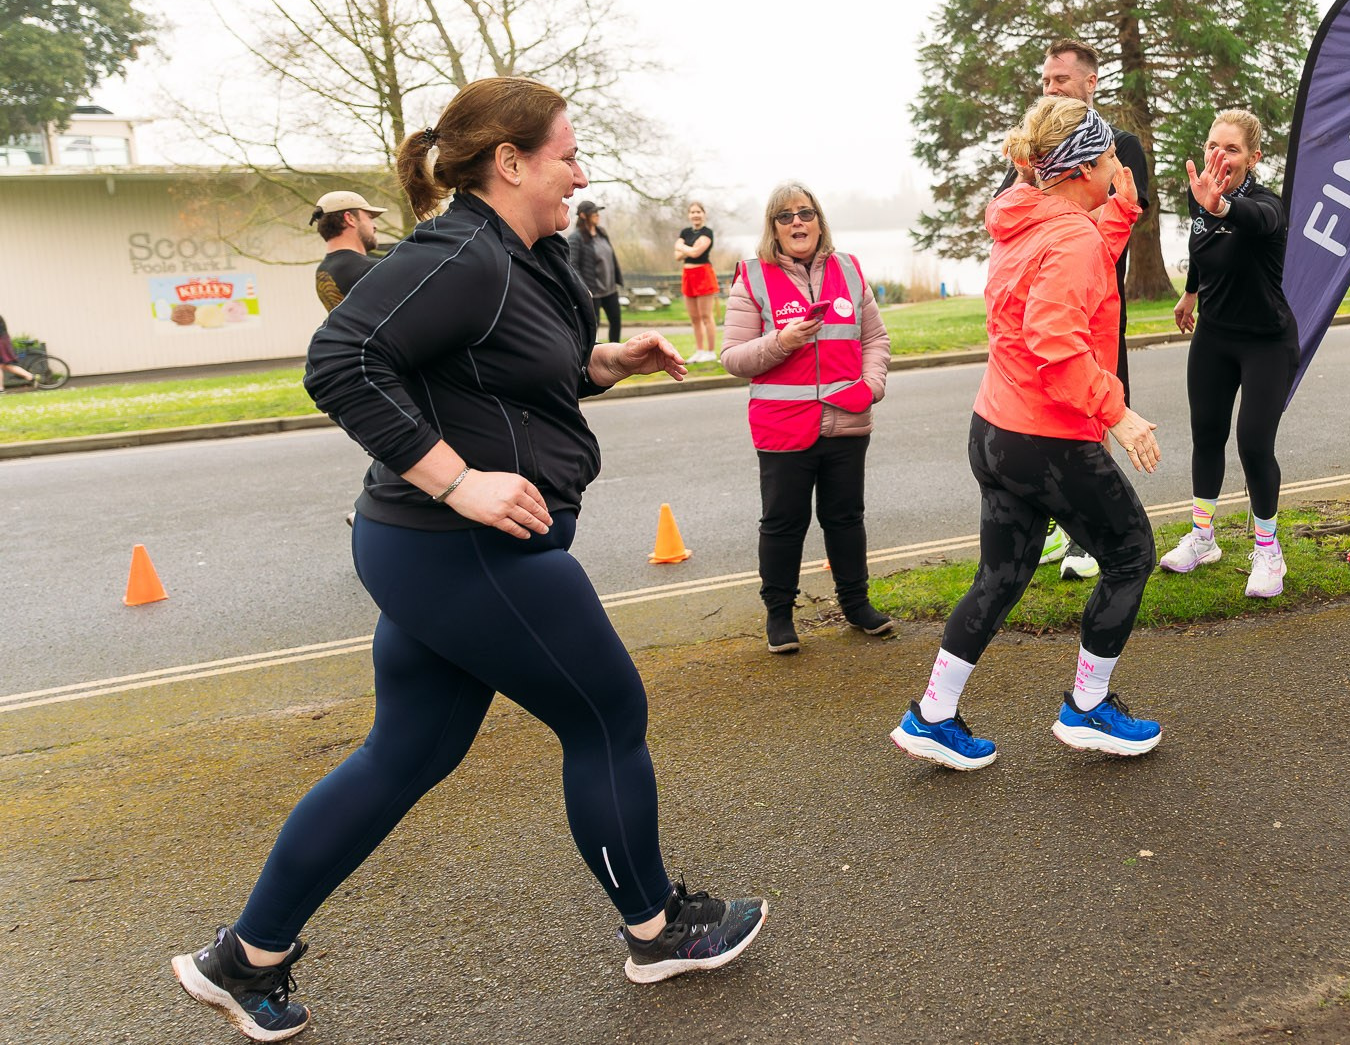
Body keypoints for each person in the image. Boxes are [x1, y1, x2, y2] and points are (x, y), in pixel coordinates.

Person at [171, 77, 766, 1044]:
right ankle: (658, 929)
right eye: (568, 155)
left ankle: (245, 958)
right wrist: (458, 482)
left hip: (440, 552)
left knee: (408, 750)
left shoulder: (524, 256)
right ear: (511, 161)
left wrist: (606, 363)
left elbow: (502, 373)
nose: (582, 173)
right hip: (457, 545)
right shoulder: (459, 254)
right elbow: (340, 362)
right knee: (607, 713)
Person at [890, 98, 1162, 772]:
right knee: (1130, 554)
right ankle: (1088, 708)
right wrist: (1120, 415)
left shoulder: (1029, 219)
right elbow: (1054, 338)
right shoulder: (1069, 236)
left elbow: (1075, 268)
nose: (1118, 163)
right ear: (1084, 169)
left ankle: (932, 715)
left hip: (996, 430)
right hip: (1048, 438)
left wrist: (1122, 213)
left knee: (1001, 576)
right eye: (1109, 156)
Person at [719, 182, 896, 654]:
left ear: (819, 220)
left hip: (847, 419)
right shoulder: (753, 276)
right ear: (773, 227)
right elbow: (733, 357)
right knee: (783, 523)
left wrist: (873, 384)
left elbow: (875, 339)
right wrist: (781, 342)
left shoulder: (849, 269)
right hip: (782, 426)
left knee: (846, 518)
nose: (797, 222)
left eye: (805, 213)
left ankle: (856, 605)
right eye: (785, 216)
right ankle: (779, 615)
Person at [1013, 38, 1153, 582]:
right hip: (1045, 309)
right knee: (1049, 417)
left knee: (1094, 415)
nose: (1049, 88)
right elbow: (1012, 212)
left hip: (1097, 311)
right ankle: (1057, 523)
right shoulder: (1037, 148)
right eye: (1046, 80)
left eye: (1060, 80)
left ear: (1090, 83)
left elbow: (1118, 211)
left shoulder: (1120, 144)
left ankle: (1085, 537)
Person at [1163, 110, 1297, 598]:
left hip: (1266, 341)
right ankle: (1203, 538)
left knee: (1254, 444)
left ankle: (1268, 551)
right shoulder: (1201, 194)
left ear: (1253, 158)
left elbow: (1254, 221)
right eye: (1212, 146)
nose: (1219, 156)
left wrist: (1220, 206)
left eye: (1232, 149)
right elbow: (1202, 243)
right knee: (1206, 437)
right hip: (1214, 337)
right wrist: (1190, 293)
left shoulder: (1268, 205)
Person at [310, 190, 387, 312]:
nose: (375, 226)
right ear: (350, 218)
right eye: (369, 218)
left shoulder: (322, 271)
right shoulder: (371, 269)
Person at [567, 199, 624, 342]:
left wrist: (617, 278)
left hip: (610, 290)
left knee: (616, 322)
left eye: (598, 212)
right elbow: (573, 264)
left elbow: (610, 257)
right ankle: (592, 354)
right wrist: (584, 288)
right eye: (594, 212)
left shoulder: (601, 233)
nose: (597, 215)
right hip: (593, 292)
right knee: (593, 327)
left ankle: (615, 352)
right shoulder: (576, 238)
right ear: (583, 215)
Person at [674, 200, 721, 362]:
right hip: (687, 275)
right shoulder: (685, 232)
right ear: (689, 215)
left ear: (703, 214)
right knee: (694, 318)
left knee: (706, 316)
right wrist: (691, 248)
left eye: (698, 212)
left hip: (703, 274)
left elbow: (695, 253)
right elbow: (677, 256)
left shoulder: (707, 232)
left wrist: (683, 247)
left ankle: (711, 352)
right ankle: (699, 351)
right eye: (692, 212)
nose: (695, 215)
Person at [0, 315, 37, 390]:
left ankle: (0, 388)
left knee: (3, 365)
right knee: (5, 366)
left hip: (1, 341)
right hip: (4, 340)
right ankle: (30, 376)